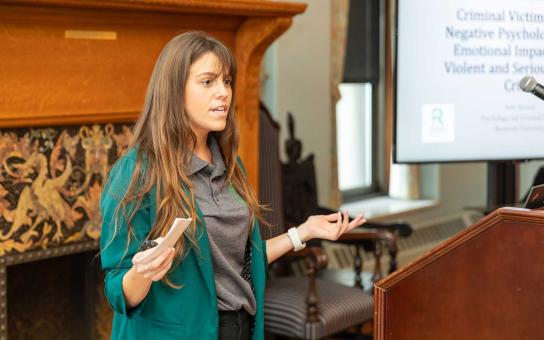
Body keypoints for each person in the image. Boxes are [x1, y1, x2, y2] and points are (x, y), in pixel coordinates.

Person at [99, 31, 366, 340]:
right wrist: (142, 273)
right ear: (174, 91)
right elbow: (116, 290)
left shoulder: (228, 164)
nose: (223, 93)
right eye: (207, 81)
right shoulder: (136, 171)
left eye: (226, 81)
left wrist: (302, 232)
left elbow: (239, 261)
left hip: (240, 327)